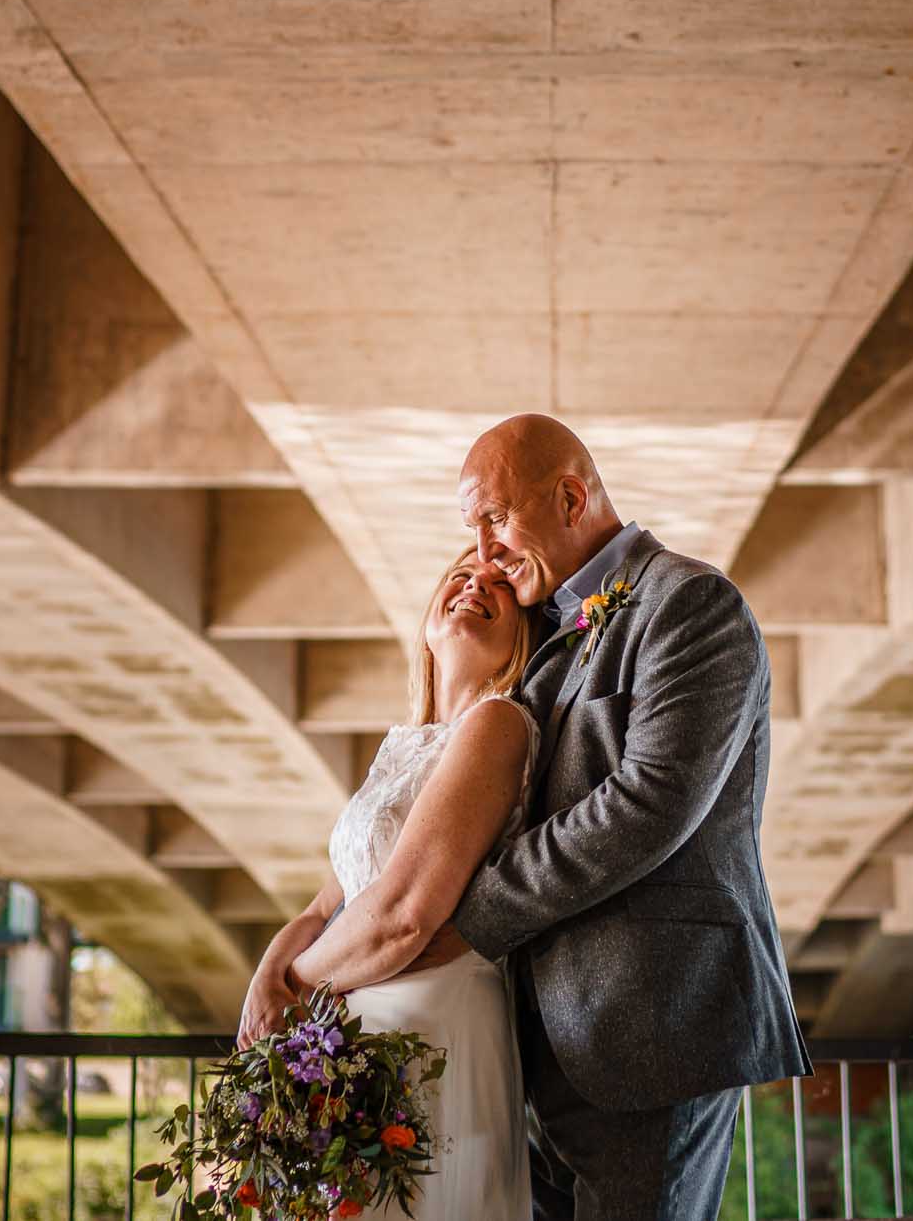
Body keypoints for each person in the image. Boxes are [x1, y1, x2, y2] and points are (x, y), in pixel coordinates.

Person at [247, 413, 808, 1221]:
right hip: (528, 1051)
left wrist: (461, 921)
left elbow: (646, 806)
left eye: (494, 518)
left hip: (654, 1029)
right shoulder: (548, 630)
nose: (481, 554)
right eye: (470, 530)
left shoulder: (689, 604)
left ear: (572, 495)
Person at [241, 543, 538, 1219]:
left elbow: (404, 915)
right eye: (461, 575)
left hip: (430, 1041)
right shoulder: (403, 744)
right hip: (353, 1049)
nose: (474, 584)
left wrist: (296, 991)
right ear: (428, 620)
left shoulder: (495, 724)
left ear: (523, 631)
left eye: (498, 584)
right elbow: (329, 902)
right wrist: (266, 974)